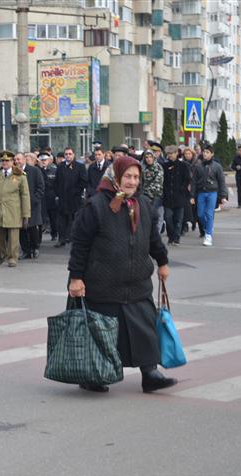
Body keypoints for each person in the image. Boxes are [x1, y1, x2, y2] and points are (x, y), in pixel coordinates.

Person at [68, 156, 176, 394]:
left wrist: (163, 261)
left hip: (137, 283)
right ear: (115, 177)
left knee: (144, 330)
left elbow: (153, 238)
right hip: (102, 284)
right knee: (101, 334)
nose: (132, 181)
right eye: (127, 176)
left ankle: (150, 374)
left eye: (136, 177)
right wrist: (76, 278)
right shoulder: (95, 205)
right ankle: (93, 376)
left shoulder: (143, 205)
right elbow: (80, 245)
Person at [0, 150, 30, 267]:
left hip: (13, 210)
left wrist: (26, 214)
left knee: (13, 236)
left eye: (7, 161)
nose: (5, 163)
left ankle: (12, 258)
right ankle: (3, 254)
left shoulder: (20, 175)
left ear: (12, 162)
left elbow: (25, 195)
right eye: (3, 161)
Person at [190, 145, 228, 247]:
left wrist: (223, 196)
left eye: (207, 152)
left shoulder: (217, 166)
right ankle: (208, 228)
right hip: (201, 193)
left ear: (212, 154)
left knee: (209, 213)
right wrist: (192, 196)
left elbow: (221, 182)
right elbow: (193, 182)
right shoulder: (198, 167)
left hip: (212, 193)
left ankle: (208, 236)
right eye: (204, 152)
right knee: (200, 215)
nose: (205, 154)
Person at [54, 147, 87, 247]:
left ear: (73, 155)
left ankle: (73, 237)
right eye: (66, 154)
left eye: (70, 154)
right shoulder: (60, 166)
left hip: (74, 197)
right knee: (61, 219)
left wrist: (76, 191)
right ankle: (61, 239)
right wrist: (58, 193)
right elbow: (56, 181)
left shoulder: (80, 166)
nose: (68, 156)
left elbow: (83, 181)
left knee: (74, 219)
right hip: (63, 197)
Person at [162, 146, 191, 246]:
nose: (170, 155)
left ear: (176, 154)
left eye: (172, 153)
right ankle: (171, 236)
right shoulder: (164, 166)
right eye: (169, 153)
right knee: (168, 217)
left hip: (179, 197)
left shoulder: (183, 165)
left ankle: (176, 237)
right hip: (168, 198)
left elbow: (187, 179)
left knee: (178, 219)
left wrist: (182, 189)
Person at [19, 152, 44, 259]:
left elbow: (41, 186)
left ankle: (35, 247)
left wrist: (35, 199)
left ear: (24, 159)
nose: (16, 161)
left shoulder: (34, 170)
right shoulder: (15, 172)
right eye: (15, 159)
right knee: (22, 229)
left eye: (18, 159)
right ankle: (26, 251)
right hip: (19, 205)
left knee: (32, 227)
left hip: (32, 204)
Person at [141, 149, 165, 234]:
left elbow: (158, 183)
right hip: (145, 195)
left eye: (150, 157)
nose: (148, 159)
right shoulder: (143, 168)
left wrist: (150, 194)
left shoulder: (158, 167)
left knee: (153, 214)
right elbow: (142, 182)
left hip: (156, 195)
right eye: (146, 157)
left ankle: (155, 233)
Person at [38, 153, 58, 241]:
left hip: (51, 195)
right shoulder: (38, 170)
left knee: (52, 216)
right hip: (41, 196)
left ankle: (54, 233)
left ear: (49, 160)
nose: (43, 162)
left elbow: (57, 183)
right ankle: (39, 236)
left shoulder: (54, 170)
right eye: (42, 160)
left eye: (45, 160)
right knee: (41, 217)